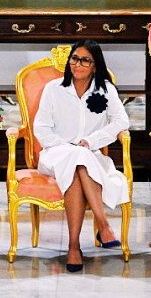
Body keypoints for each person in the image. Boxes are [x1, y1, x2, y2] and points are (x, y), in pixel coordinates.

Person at [33, 39, 130, 272]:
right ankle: (103, 225)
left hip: (90, 156)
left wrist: (92, 141)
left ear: (95, 65)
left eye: (85, 60)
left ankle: (74, 247)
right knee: (76, 157)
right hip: (54, 155)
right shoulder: (53, 89)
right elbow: (41, 128)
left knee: (79, 164)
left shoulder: (106, 90)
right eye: (74, 59)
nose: (77, 64)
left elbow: (121, 122)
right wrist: (67, 147)